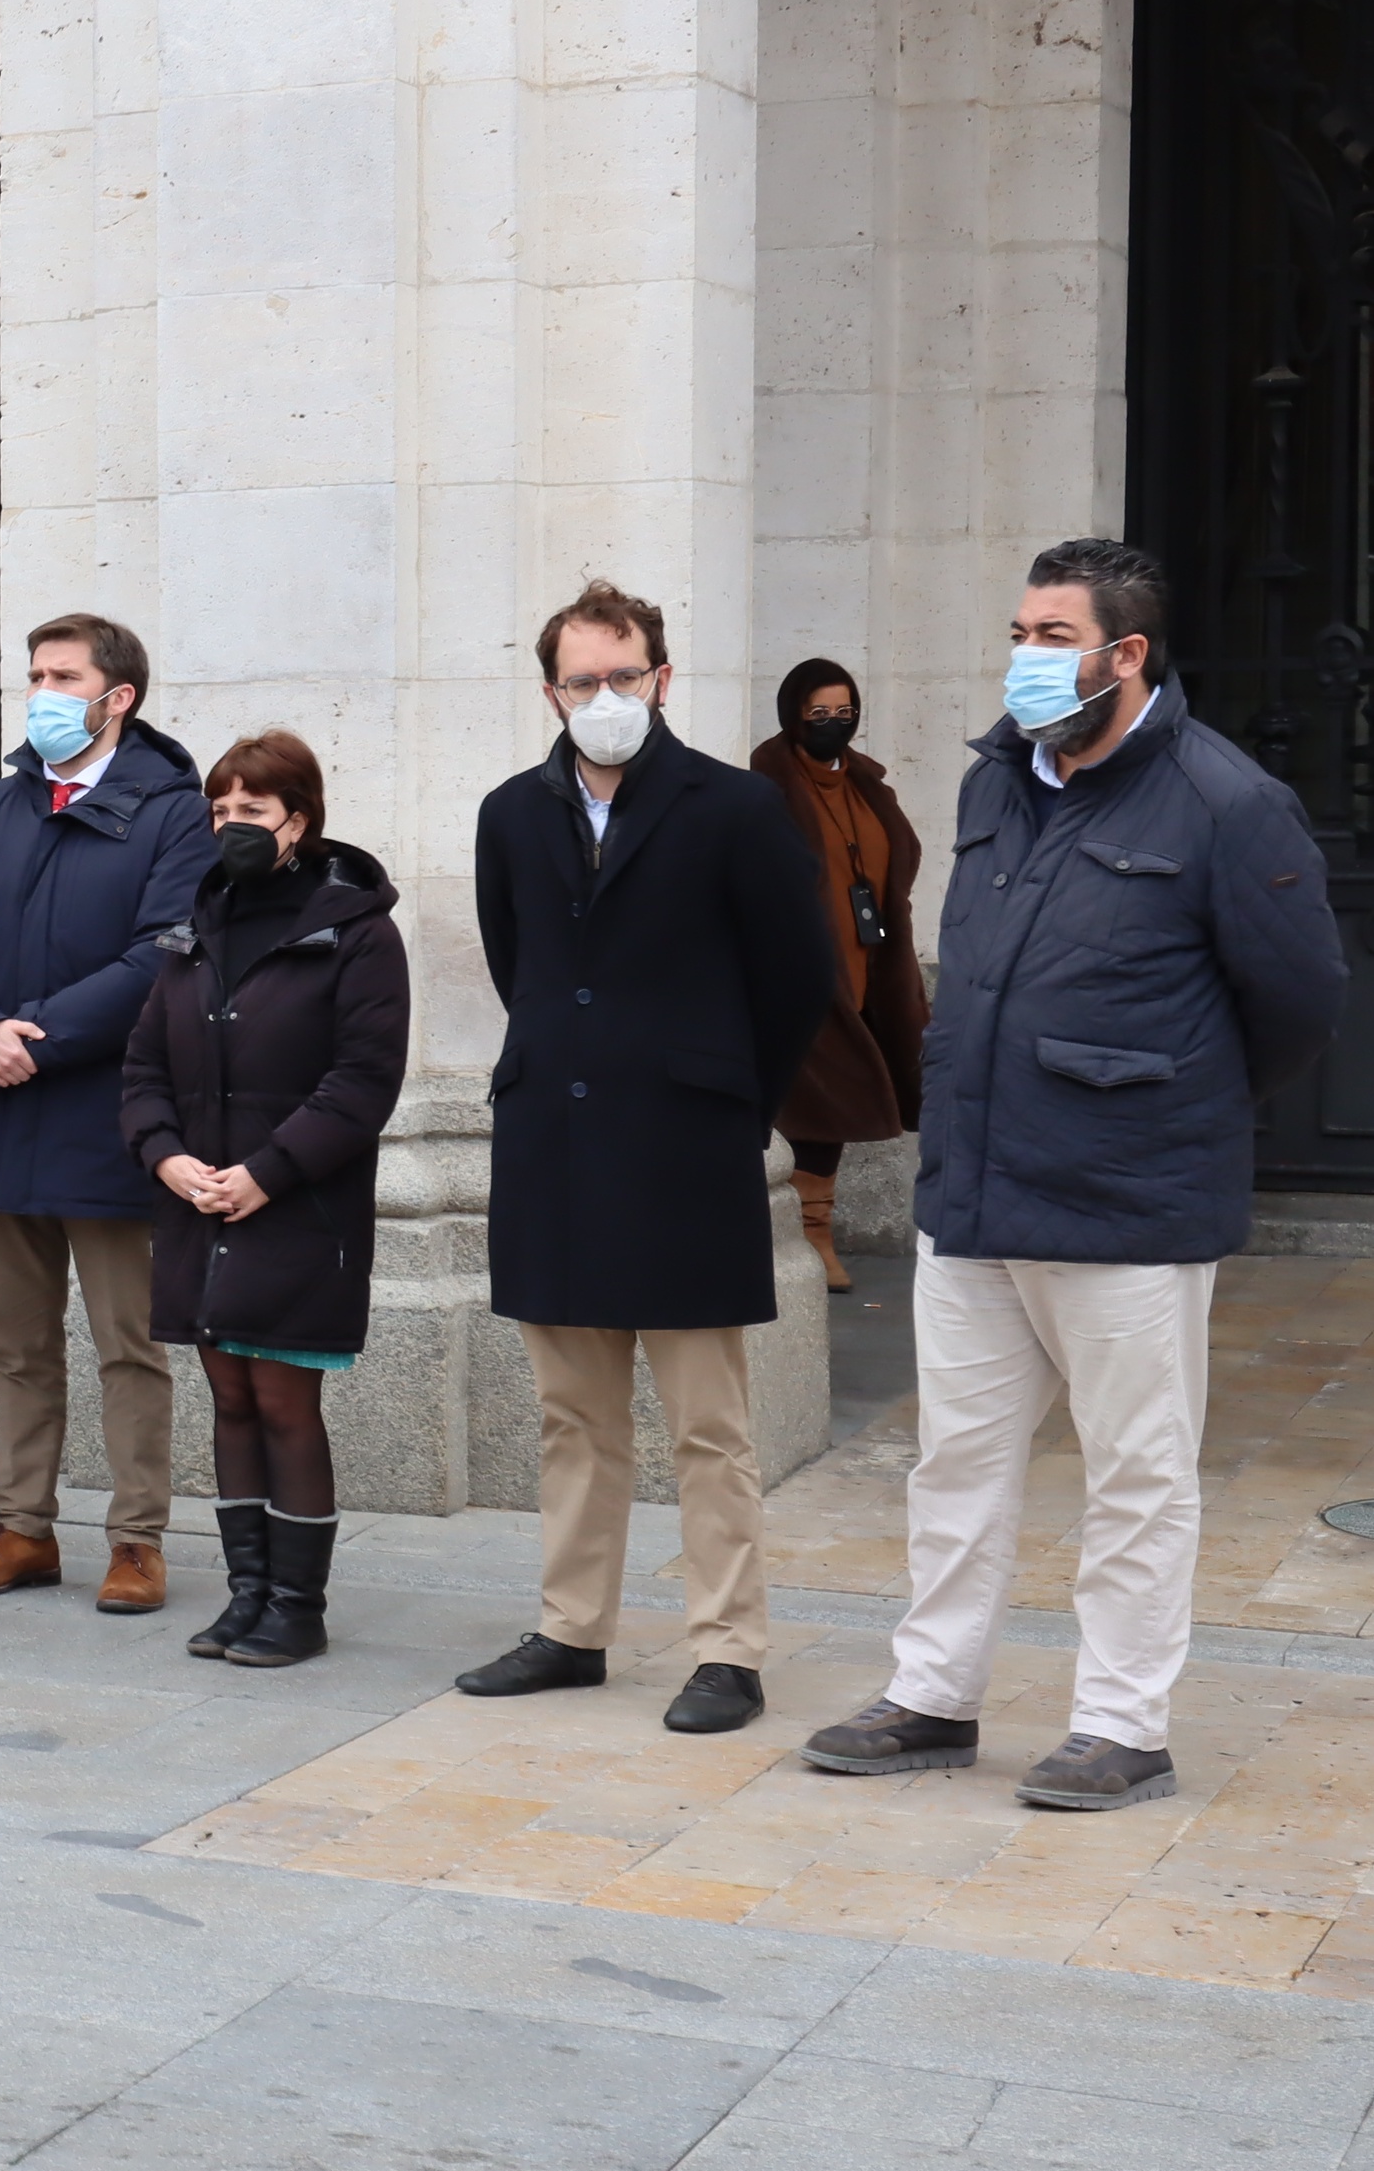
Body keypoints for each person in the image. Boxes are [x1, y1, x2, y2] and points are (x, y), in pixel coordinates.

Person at [800, 539, 1344, 1810]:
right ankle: (933, 1693)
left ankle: (1121, 1724)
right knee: (955, 1462)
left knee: (1136, 1475)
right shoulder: (995, 777)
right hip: (975, 1192)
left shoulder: (1227, 800)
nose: (1026, 658)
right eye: (1020, 633)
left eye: (1053, 637)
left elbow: (1300, 1001)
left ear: (1125, 653)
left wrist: (1166, 1098)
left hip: (1128, 1203)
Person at [462, 579, 837, 1735]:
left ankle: (728, 1647)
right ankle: (573, 1627)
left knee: (708, 1426)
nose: (606, 696)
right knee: (572, 1417)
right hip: (555, 1149)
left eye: (624, 675)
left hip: (684, 1149)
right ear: (551, 691)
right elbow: (518, 962)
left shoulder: (735, 807)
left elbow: (798, 973)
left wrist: (731, 1097)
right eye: (583, 680)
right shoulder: (511, 812)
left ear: (662, 678)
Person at [0, 614, 213, 1615]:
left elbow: (163, 951)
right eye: (35, 674)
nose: (40, 692)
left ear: (118, 697)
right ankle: (21, 1528)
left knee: (129, 1342)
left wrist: (35, 1037)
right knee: (18, 1345)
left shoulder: (175, 813)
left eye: (63, 677)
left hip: (109, 1111)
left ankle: (137, 1540)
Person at [120, 733, 407, 1668]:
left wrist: (266, 1174)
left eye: (252, 810)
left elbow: (362, 1084)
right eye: (220, 810)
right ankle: (247, 1595)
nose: (231, 825)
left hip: (296, 1210)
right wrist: (166, 1158)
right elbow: (144, 1067)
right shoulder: (194, 923)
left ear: (299, 821)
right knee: (230, 1400)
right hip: (198, 1207)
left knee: (284, 1402)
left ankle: (298, 1606)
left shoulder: (357, 931)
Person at [754, 659, 927, 1295]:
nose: (834, 723)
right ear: (793, 715)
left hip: (870, 967)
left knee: (837, 1098)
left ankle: (813, 1228)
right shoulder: (766, 788)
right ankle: (805, 1234)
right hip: (797, 973)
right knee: (813, 1102)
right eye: (819, 713)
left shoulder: (866, 785)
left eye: (845, 712)